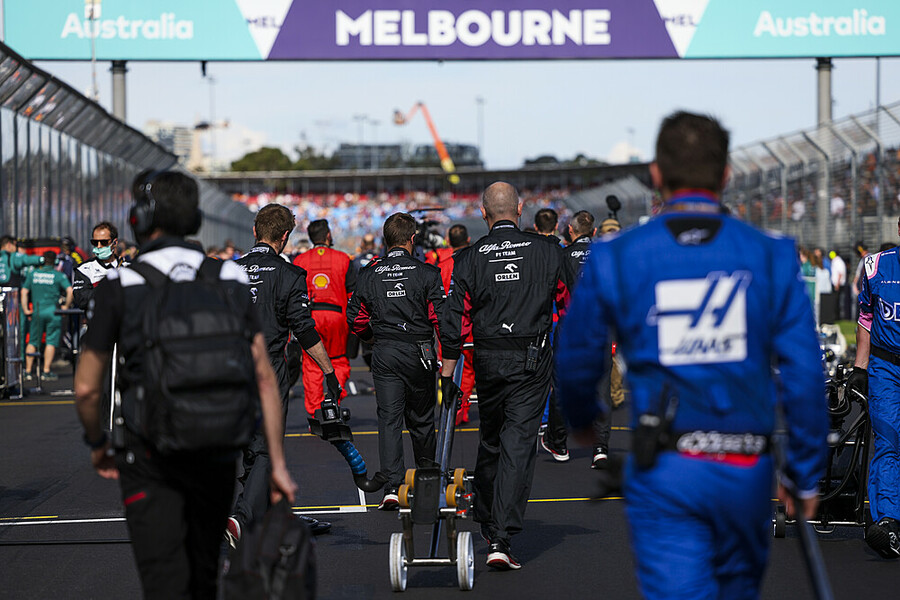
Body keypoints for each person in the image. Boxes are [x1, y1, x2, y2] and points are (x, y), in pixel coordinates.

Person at [556, 111, 828, 599]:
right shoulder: (770, 253)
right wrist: (805, 473)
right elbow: (805, 374)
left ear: (656, 173)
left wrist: (582, 420)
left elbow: (576, 355)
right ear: (726, 174)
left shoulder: (617, 254)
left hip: (667, 468)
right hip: (745, 465)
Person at [73, 170, 298, 600]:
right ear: (195, 219)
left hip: (149, 450)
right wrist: (278, 462)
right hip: (213, 445)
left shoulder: (121, 283)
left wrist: (98, 442)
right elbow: (264, 376)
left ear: (140, 220)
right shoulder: (228, 277)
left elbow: (86, 387)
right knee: (203, 572)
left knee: (163, 577)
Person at [440, 182, 571, 570]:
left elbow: (454, 319)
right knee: (516, 442)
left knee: (493, 437)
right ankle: (500, 535)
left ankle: (487, 516)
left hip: (488, 358)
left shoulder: (468, 258)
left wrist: (447, 375)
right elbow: (572, 300)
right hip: (531, 358)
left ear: (483, 213)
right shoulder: (548, 250)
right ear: (520, 209)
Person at [229, 204, 341, 541]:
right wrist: (329, 371)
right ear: (285, 236)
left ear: (254, 232)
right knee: (266, 446)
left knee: (252, 445)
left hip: (230, 365)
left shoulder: (228, 271)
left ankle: (265, 516)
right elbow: (304, 330)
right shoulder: (290, 274)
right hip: (267, 366)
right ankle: (241, 518)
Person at [347, 212, 445, 510]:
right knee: (422, 420)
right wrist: (448, 356)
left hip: (385, 351)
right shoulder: (427, 272)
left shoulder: (369, 273)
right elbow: (441, 318)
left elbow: (355, 318)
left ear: (385, 240)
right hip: (419, 351)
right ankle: (427, 483)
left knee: (389, 419)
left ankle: (392, 487)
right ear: (412, 239)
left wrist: (371, 338)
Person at [850, 226, 900, 559]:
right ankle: (888, 522)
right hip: (886, 367)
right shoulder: (875, 265)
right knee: (888, 438)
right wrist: (859, 367)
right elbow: (866, 317)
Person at [293, 219, 355, 416]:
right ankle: (334, 402)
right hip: (337, 317)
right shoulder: (344, 259)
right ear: (328, 235)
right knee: (338, 360)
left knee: (312, 365)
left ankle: (316, 413)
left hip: (310, 318)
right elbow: (352, 295)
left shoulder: (299, 261)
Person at [531, 208, 570, 462]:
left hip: (536, 321)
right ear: (556, 226)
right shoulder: (562, 252)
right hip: (558, 320)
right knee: (556, 377)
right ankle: (548, 420)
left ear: (536, 227)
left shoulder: (531, 252)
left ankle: (540, 419)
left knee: (535, 373)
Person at [435, 224, 476, 425]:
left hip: (448, 327)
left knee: (448, 370)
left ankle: (454, 411)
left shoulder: (443, 266)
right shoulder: (477, 262)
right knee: (468, 371)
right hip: (472, 326)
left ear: (449, 242)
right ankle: (461, 410)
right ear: (468, 240)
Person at [21, 250, 73, 381]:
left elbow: (24, 291)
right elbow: (70, 290)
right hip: (53, 312)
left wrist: (26, 309)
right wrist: (66, 306)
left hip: (37, 311)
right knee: (51, 341)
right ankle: (46, 371)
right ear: (55, 261)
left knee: (33, 341)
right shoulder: (58, 275)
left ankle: (28, 371)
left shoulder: (33, 274)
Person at [73, 222, 128, 311]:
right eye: (95, 242)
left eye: (104, 242)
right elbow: (81, 300)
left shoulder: (128, 267)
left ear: (114, 243)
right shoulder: (84, 269)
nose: (99, 246)